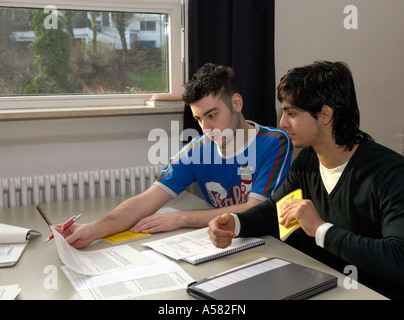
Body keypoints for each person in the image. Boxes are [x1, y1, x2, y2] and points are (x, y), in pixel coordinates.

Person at [208, 61, 404, 299]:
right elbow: (276, 211)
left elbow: (397, 258)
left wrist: (321, 229)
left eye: (291, 113)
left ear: (325, 114)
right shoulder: (308, 160)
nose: (282, 123)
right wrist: (236, 223)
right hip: (319, 283)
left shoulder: (392, 174)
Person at [56, 63, 292, 249]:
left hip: (268, 247)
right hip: (222, 244)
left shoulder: (274, 143)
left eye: (212, 115)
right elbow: (146, 201)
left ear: (236, 103)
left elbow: (254, 210)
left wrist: (182, 218)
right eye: (199, 119)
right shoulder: (197, 150)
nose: (206, 128)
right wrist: (93, 229)